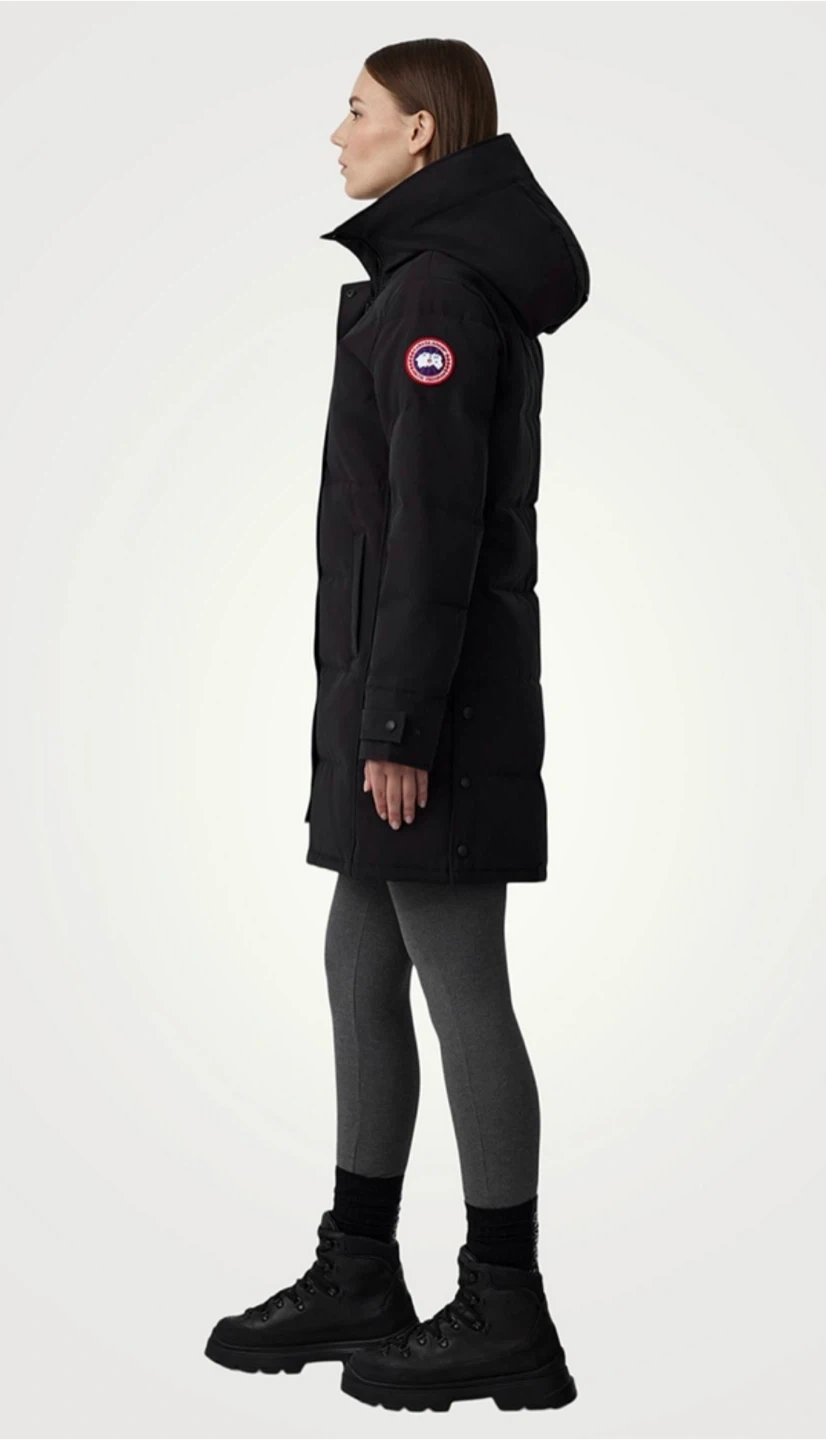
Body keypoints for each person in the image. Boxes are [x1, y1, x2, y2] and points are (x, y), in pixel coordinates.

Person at [206, 37, 590, 1412]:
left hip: (434, 708)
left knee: (458, 980)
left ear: (422, 131)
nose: (337, 134)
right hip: (395, 692)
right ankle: (360, 1267)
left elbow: (434, 530)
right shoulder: (429, 279)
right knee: (360, 965)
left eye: (358, 110)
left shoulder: (437, 294)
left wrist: (400, 725)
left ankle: (506, 1309)